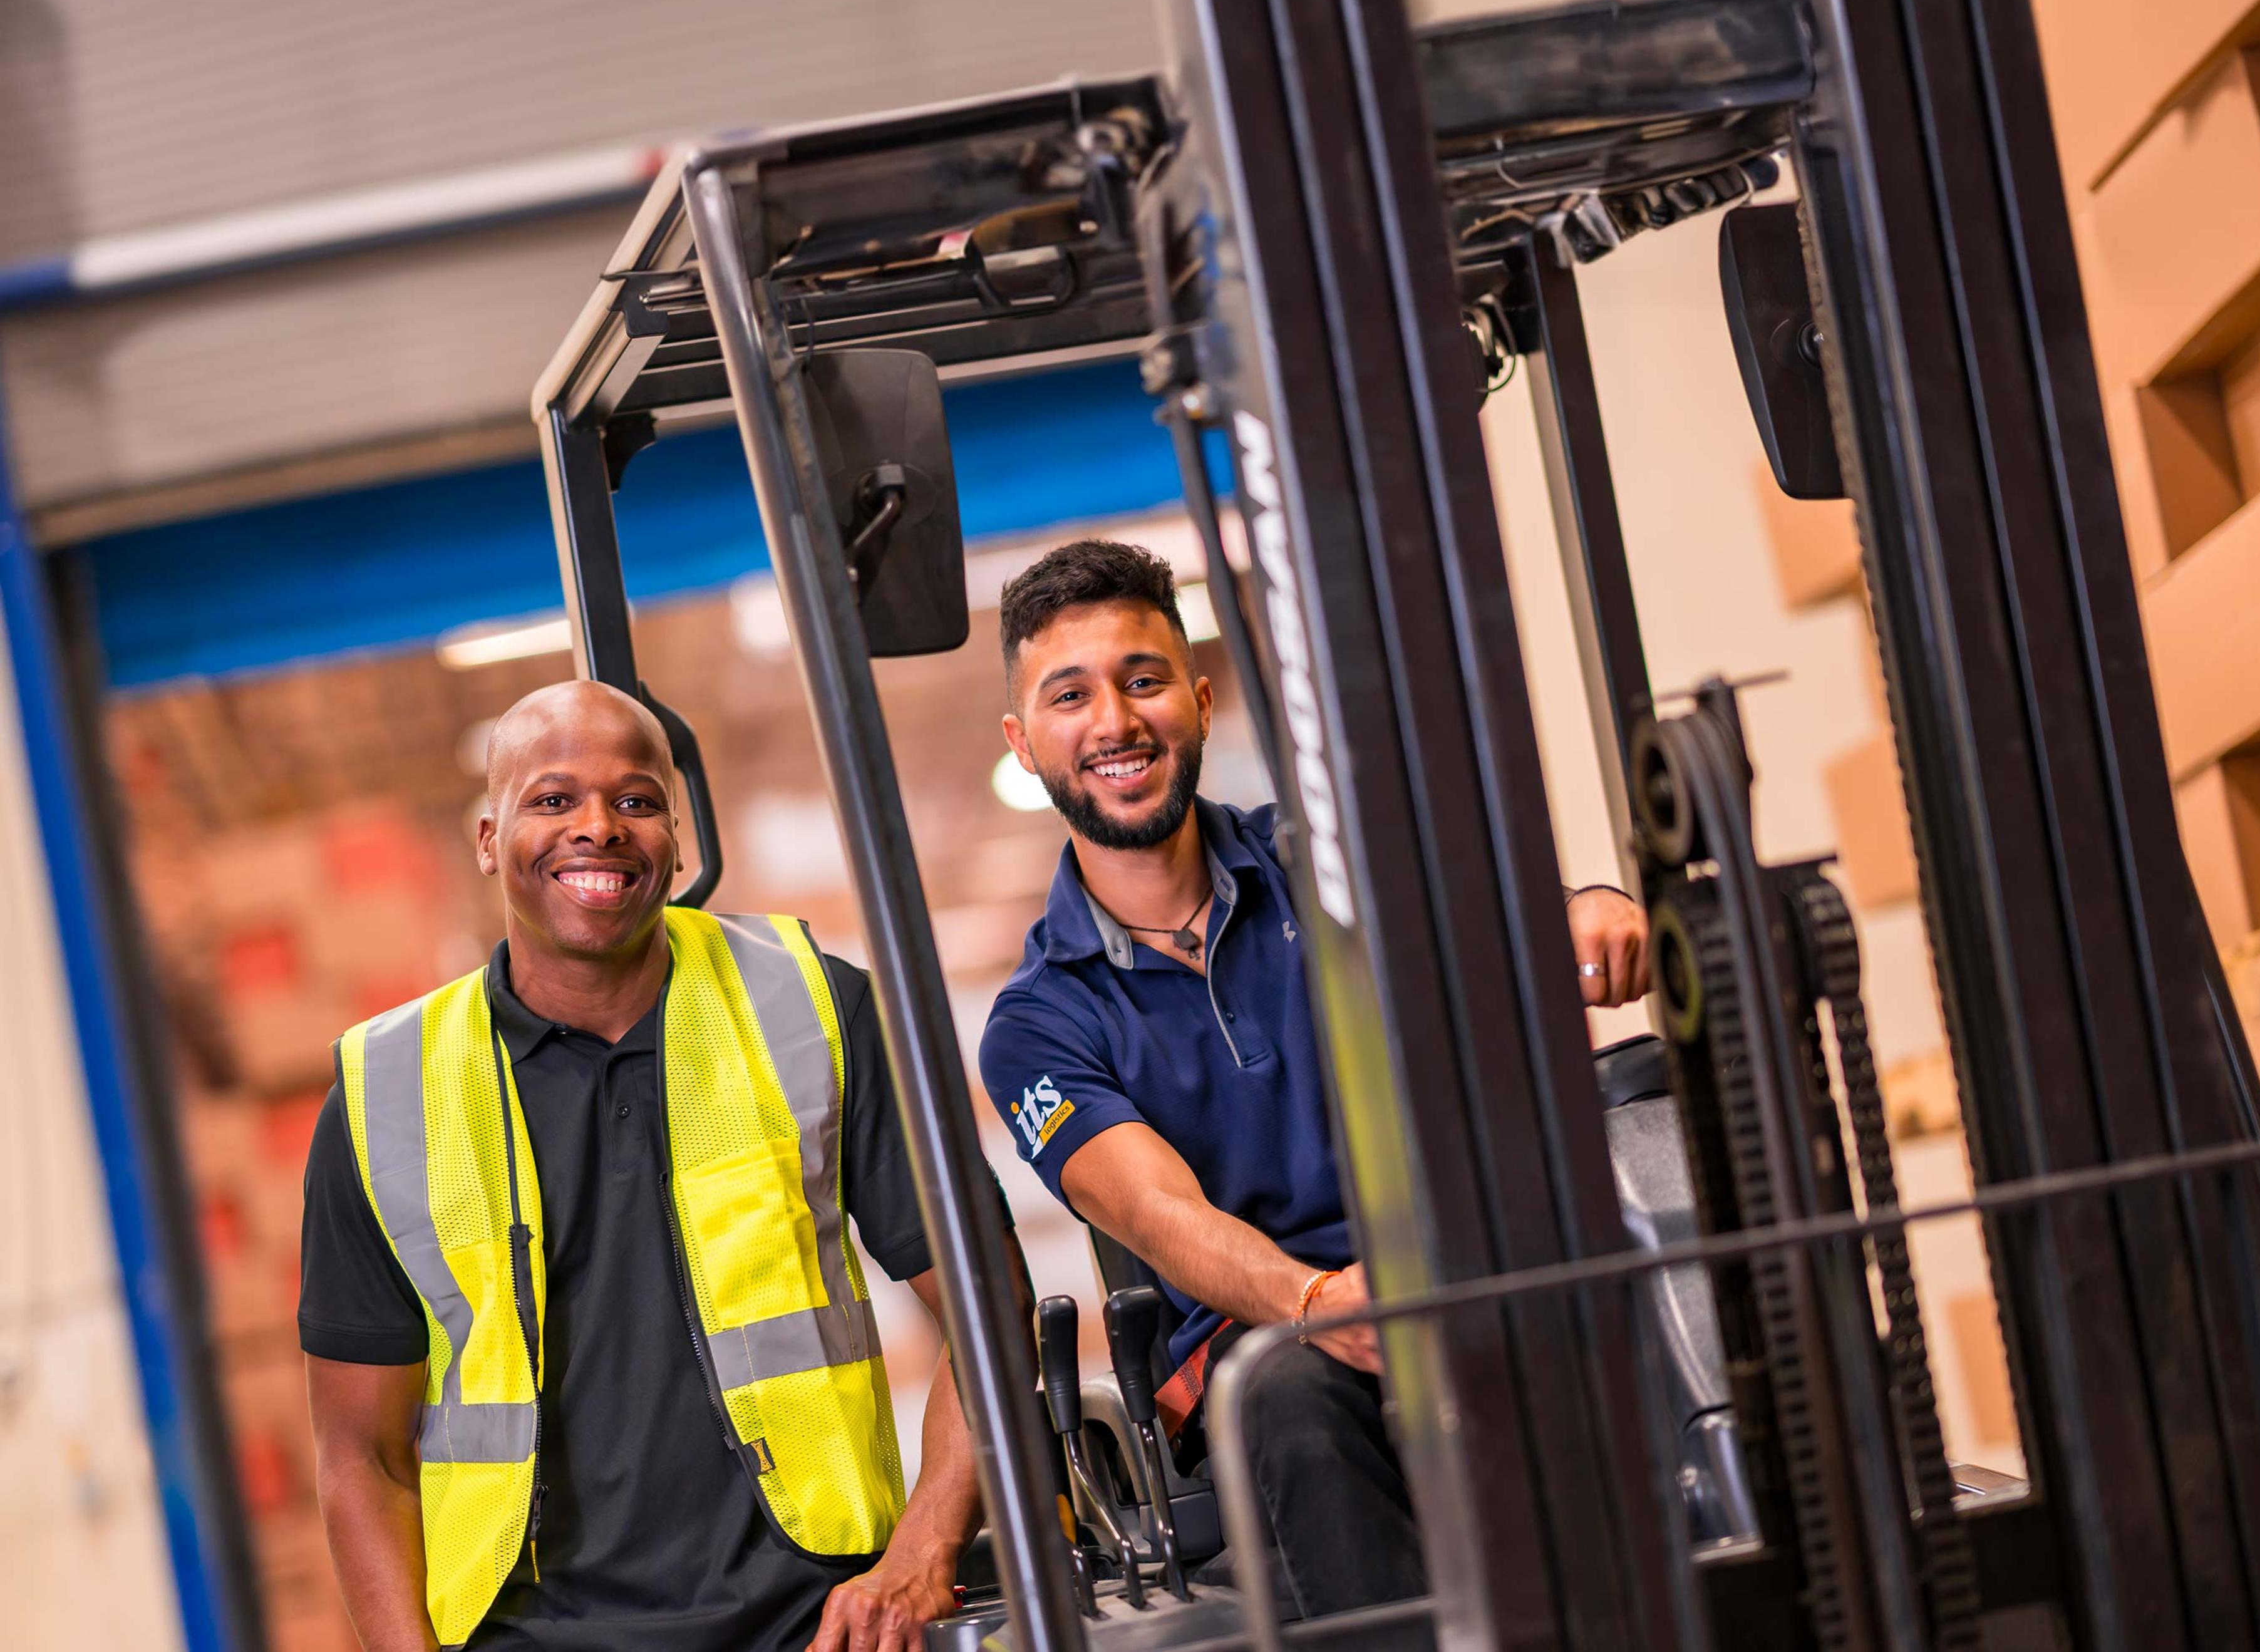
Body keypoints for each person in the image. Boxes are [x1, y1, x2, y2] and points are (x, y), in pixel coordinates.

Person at [977, 540, 1649, 1619]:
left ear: (1197, 700)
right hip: (1269, 1343)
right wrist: (1315, 1300)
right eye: (1072, 696)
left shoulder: (1324, 862)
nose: (1115, 721)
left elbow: (1495, 916)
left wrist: (1589, 907)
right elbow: (1156, 1211)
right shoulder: (1039, 1025)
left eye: (1143, 680)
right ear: (1025, 740)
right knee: (1292, 1394)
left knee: (1669, 1276)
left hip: (1458, 1276)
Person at [300, 681, 987, 1652]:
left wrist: (923, 1554)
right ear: (490, 838)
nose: (598, 829)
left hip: (814, 1623)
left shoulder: (813, 1008)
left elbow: (985, 1303)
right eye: (552, 800)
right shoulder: (385, 1096)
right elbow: (358, 1457)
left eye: (635, 801)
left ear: (676, 833)